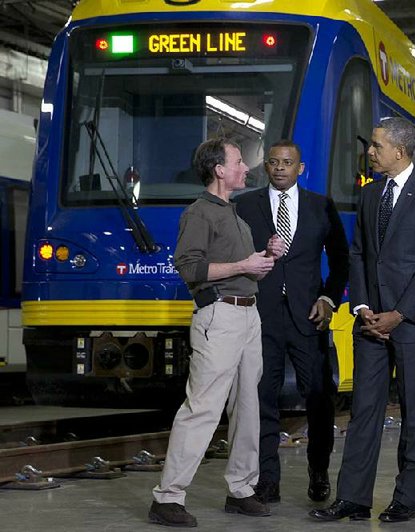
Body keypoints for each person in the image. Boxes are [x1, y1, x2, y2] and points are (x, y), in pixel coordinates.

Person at [311, 117, 415, 523]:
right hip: (370, 321)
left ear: (400, 151)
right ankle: (352, 499)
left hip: (413, 322)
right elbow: (357, 254)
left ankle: (405, 501)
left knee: (414, 413)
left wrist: (399, 313)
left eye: (375, 146)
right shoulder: (371, 195)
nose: (369, 152)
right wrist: (361, 308)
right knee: (364, 412)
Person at [149, 138, 283, 527]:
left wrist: (266, 254)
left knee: (247, 408)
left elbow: (239, 265)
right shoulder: (199, 214)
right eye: (239, 162)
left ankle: (241, 489)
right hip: (220, 317)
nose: (246, 168)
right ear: (220, 170)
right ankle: (167, 497)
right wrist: (244, 264)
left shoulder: (234, 214)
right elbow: (190, 267)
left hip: (247, 318)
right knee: (203, 408)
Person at [235, 140, 349, 505]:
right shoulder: (245, 205)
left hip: (309, 317)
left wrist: (329, 298)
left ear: (301, 168)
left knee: (319, 397)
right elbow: (234, 255)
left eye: (288, 163)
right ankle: (268, 479)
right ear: (265, 167)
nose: (280, 168)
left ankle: (319, 472)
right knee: (261, 398)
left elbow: (341, 260)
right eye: (273, 162)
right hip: (259, 315)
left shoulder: (321, 206)